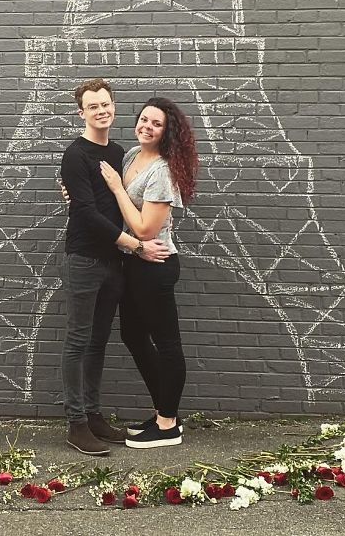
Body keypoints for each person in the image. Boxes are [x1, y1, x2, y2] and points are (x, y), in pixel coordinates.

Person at [60, 79, 171, 456]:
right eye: (93, 106)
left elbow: (126, 202)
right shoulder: (75, 155)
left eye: (105, 104)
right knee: (77, 341)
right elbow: (87, 212)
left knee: (97, 342)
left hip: (113, 264)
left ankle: (93, 415)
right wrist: (134, 245)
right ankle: (76, 423)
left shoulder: (121, 152)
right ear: (82, 112)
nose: (101, 111)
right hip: (86, 258)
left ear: (114, 106)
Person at [98, 96, 199, 449]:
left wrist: (114, 186)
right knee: (132, 336)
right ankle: (164, 411)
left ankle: (168, 425)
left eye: (156, 123)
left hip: (154, 265)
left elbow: (144, 229)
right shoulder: (129, 157)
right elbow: (112, 208)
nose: (147, 126)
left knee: (168, 344)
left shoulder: (163, 171)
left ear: (167, 132)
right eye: (143, 119)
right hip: (132, 263)